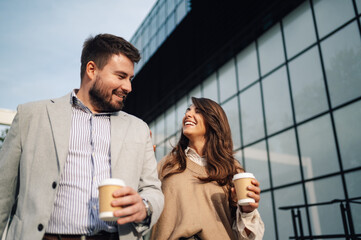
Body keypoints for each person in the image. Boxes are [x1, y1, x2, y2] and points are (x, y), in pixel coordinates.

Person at [0, 34, 164, 240]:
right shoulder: (31, 116)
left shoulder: (138, 128)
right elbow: (2, 194)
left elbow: (152, 189)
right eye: (121, 76)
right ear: (91, 70)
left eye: (130, 79)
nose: (128, 87)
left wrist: (145, 207)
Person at [151, 97, 264, 240]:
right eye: (188, 110)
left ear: (213, 122)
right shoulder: (166, 165)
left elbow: (247, 238)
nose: (188, 114)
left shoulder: (233, 170)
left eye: (198, 111)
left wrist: (247, 211)